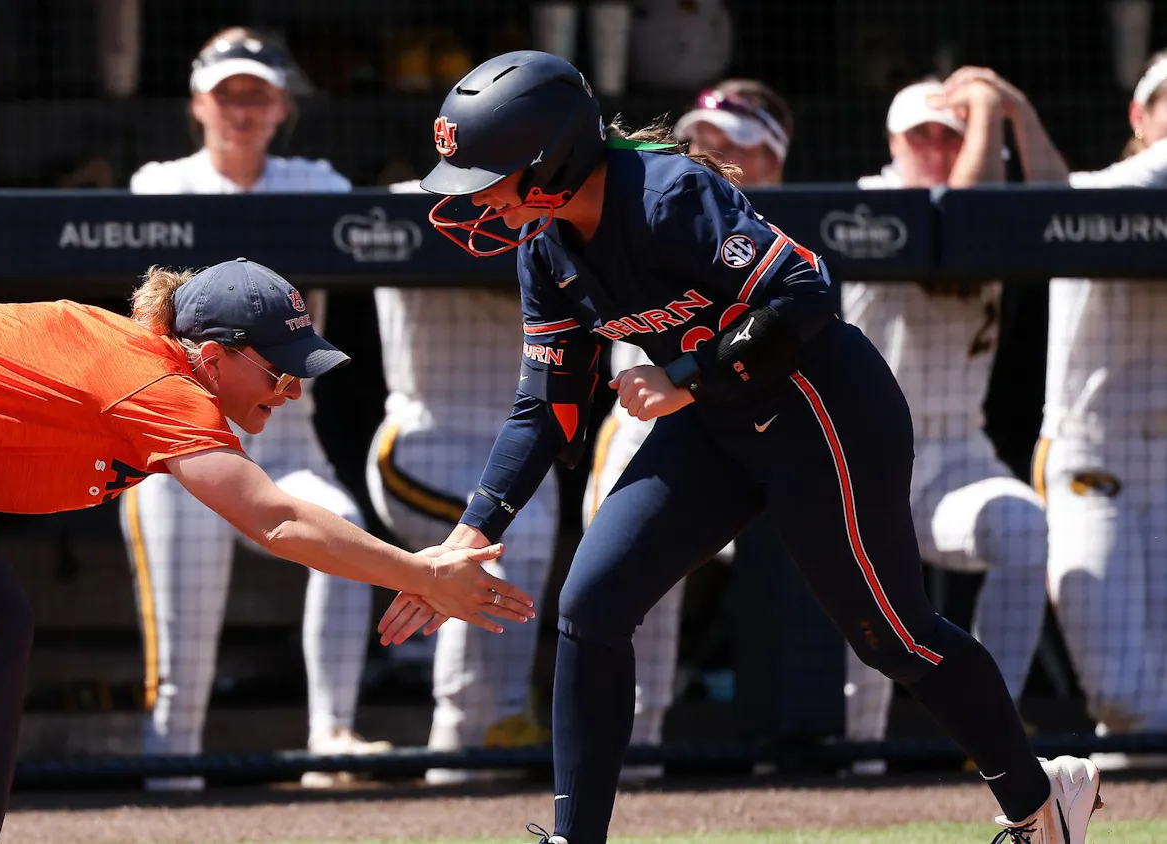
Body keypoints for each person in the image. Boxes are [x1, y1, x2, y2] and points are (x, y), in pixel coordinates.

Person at [379, 50, 1102, 844]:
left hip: (821, 412)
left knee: (892, 636)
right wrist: (472, 531)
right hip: (718, 426)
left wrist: (686, 375)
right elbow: (545, 407)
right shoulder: (543, 248)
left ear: (552, 161)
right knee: (590, 604)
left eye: (490, 174)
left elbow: (805, 292)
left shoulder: (666, 194)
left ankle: (1039, 805)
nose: (475, 197)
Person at [0, 258, 533, 844]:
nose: (291, 390)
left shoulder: (140, 363)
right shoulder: (159, 384)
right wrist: (423, 572)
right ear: (215, 354)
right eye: (278, 370)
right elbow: (274, 520)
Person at [125, 27, 385, 789]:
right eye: (228, 93)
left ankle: (332, 736)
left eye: (258, 94)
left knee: (348, 534)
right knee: (183, 644)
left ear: (282, 106)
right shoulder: (157, 183)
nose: (241, 109)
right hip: (181, 443)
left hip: (288, 435)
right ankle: (169, 778)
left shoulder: (320, 182)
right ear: (198, 101)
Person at [952, 54, 1167, 770]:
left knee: (1149, 708)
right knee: (1124, 699)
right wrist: (1011, 108)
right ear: (1140, 116)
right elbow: (1052, 195)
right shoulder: (1119, 188)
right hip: (1094, 458)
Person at [581, 79, 794, 781]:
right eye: (703, 137)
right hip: (649, 425)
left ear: (775, 157)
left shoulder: (781, 231)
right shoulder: (648, 204)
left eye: (736, 143)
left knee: (821, 572)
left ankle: (824, 751)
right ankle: (634, 752)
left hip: (768, 421)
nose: (712, 151)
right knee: (633, 583)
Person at [839, 77, 1050, 775]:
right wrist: (987, 108)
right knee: (865, 604)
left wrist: (1004, 111)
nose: (934, 146)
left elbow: (1037, 201)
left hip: (959, 451)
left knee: (1023, 527)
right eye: (919, 134)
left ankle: (991, 732)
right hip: (865, 452)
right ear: (892, 143)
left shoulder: (989, 196)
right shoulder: (876, 197)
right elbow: (958, 218)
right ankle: (856, 761)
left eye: (949, 134)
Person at [368, 179, 559, 784]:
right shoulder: (407, 202)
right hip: (425, 437)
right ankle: (449, 759)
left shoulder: (557, 212)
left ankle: (501, 734)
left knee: (519, 590)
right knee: (478, 573)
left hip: (524, 446)